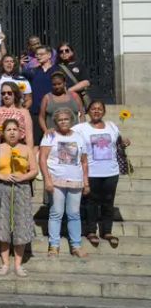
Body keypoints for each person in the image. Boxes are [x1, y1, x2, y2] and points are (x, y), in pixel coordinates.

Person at [0, 118, 37, 277]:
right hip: (3, 188)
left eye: (15, 129)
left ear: (20, 133)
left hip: (22, 189)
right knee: (3, 224)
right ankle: (5, 263)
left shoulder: (26, 149)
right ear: (3, 133)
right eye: (8, 130)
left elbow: (34, 170)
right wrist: (1, 176)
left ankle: (18, 264)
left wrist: (23, 177)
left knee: (21, 224)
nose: (12, 132)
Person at [73, 101, 129, 248]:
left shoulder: (112, 126)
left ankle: (107, 232)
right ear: (88, 111)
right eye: (93, 109)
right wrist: (51, 131)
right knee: (90, 202)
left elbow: (119, 142)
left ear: (103, 112)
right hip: (91, 172)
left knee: (108, 202)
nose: (96, 111)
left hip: (111, 171)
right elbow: (65, 131)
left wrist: (124, 142)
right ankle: (91, 231)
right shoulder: (81, 128)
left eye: (99, 109)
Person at [39, 108, 89, 258]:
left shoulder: (79, 137)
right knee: (56, 213)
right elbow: (42, 159)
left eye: (66, 119)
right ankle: (54, 245)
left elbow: (84, 162)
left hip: (76, 181)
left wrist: (86, 182)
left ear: (71, 120)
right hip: (56, 180)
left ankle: (76, 245)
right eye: (60, 120)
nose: (63, 122)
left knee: (74, 213)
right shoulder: (50, 136)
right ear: (56, 122)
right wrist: (47, 179)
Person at [24, 45, 59, 145]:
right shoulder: (33, 72)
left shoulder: (57, 70)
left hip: (53, 113)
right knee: (36, 144)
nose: (38, 56)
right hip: (36, 113)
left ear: (49, 55)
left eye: (41, 54)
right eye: (37, 55)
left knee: (54, 143)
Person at [0, 82, 34, 147]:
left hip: (19, 146)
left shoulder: (24, 112)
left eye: (9, 93)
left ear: (15, 94)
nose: (6, 95)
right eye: (3, 93)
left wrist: (29, 153)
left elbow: (29, 136)